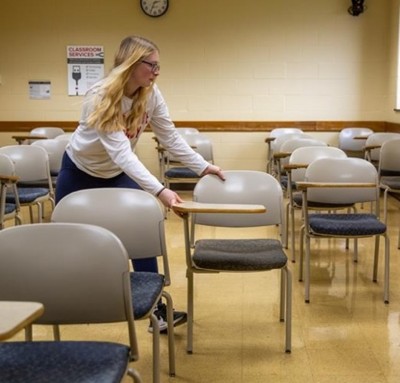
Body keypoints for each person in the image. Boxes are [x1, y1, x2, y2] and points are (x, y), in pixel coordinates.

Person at [55, 35, 225, 332]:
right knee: (64, 235)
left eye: (159, 66)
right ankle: (64, 301)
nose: (157, 72)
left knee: (143, 224)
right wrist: (160, 191)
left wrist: (203, 167)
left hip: (116, 173)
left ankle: (156, 312)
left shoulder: (151, 93)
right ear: (131, 64)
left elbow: (169, 136)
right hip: (79, 171)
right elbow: (122, 153)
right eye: (152, 65)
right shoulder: (100, 95)